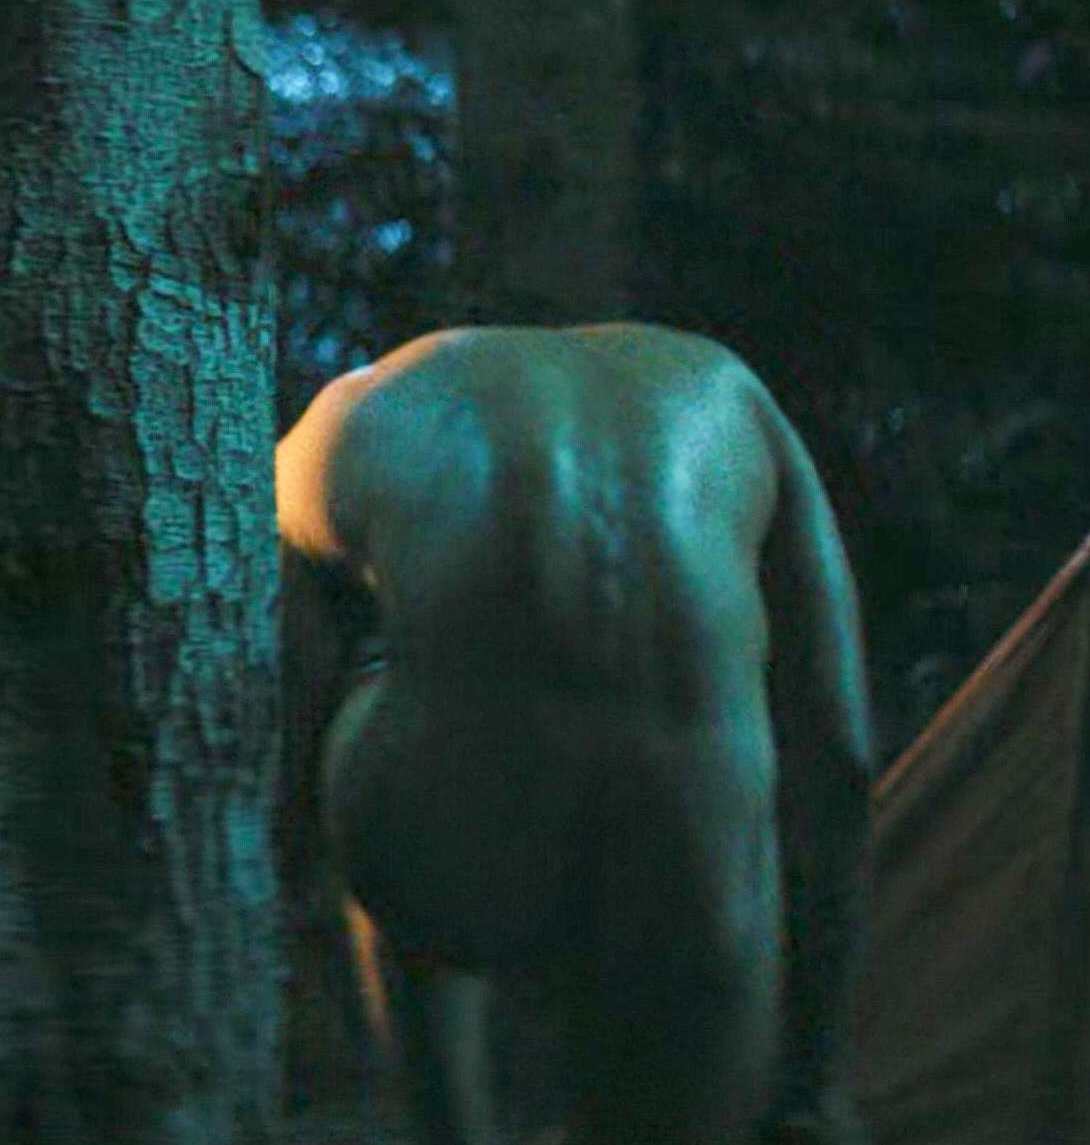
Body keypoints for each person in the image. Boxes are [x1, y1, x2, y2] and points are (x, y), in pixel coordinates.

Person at [278, 324, 872, 1145]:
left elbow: (276, 620)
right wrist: (814, 1073)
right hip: (686, 864)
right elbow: (840, 748)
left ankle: (448, 1118)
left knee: (378, 696)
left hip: (448, 847)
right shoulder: (736, 396)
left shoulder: (365, 404)